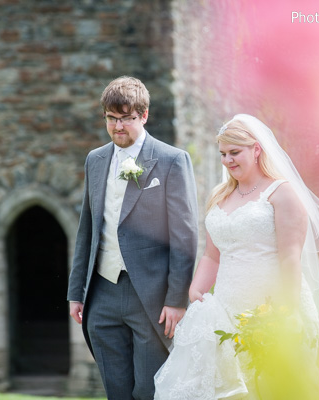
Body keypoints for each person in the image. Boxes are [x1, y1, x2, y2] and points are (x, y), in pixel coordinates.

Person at [154, 114, 319, 399]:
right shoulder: (220, 196)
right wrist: (197, 288)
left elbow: (290, 257)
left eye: (235, 152)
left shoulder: (282, 193)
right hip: (225, 309)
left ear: (256, 149)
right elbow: (213, 255)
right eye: (223, 154)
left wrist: (285, 312)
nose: (228, 160)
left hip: (270, 306)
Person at [67, 76, 198, 400]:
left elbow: (185, 235)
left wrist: (176, 299)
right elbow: (87, 228)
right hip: (102, 294)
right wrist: (76, 292)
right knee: (116, 390)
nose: (117, 126)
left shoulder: (171, 160)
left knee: (149, 390)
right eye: (111, 118)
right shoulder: (95, 160)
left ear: (144, 115)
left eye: (125, 118)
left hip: (151, 297)